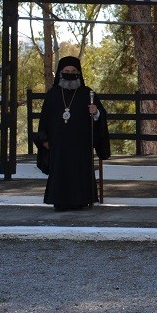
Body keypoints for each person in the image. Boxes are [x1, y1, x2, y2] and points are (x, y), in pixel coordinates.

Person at [37, 56, 110, 211]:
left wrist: (96, 112)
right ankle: (59, 201)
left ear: (79, 73)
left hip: (81, 143)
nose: (70, 74)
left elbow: (100, 116)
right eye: (67, 71)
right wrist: (44, 139)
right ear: (60, 73)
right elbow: (44, 119)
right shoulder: (52, 94)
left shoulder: (87, 93)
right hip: (58, 144)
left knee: (79, 170)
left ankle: (81, 200)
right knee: (60, 170)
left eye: (73, 71)